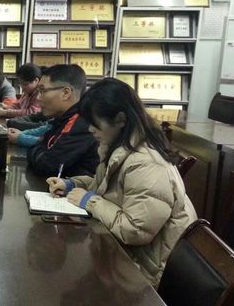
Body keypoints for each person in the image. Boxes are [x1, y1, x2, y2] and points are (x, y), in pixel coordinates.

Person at [47, 78, 196, 286]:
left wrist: (89, 201)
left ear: (120, 119)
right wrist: (72, 184)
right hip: (123, 258)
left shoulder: (146, 162)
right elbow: (106, 188)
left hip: (144, 272)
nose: (90, 129)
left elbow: (135, 231)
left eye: (94, 122)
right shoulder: (119, 146)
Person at [8, 64, 98, 177]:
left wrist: (38, 148)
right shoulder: (62, 118)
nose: (38, 98)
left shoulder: (81, 123)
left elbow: (46, 165)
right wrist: (41, 148)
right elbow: (43, 147)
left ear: (66, 93)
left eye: (42, 91)